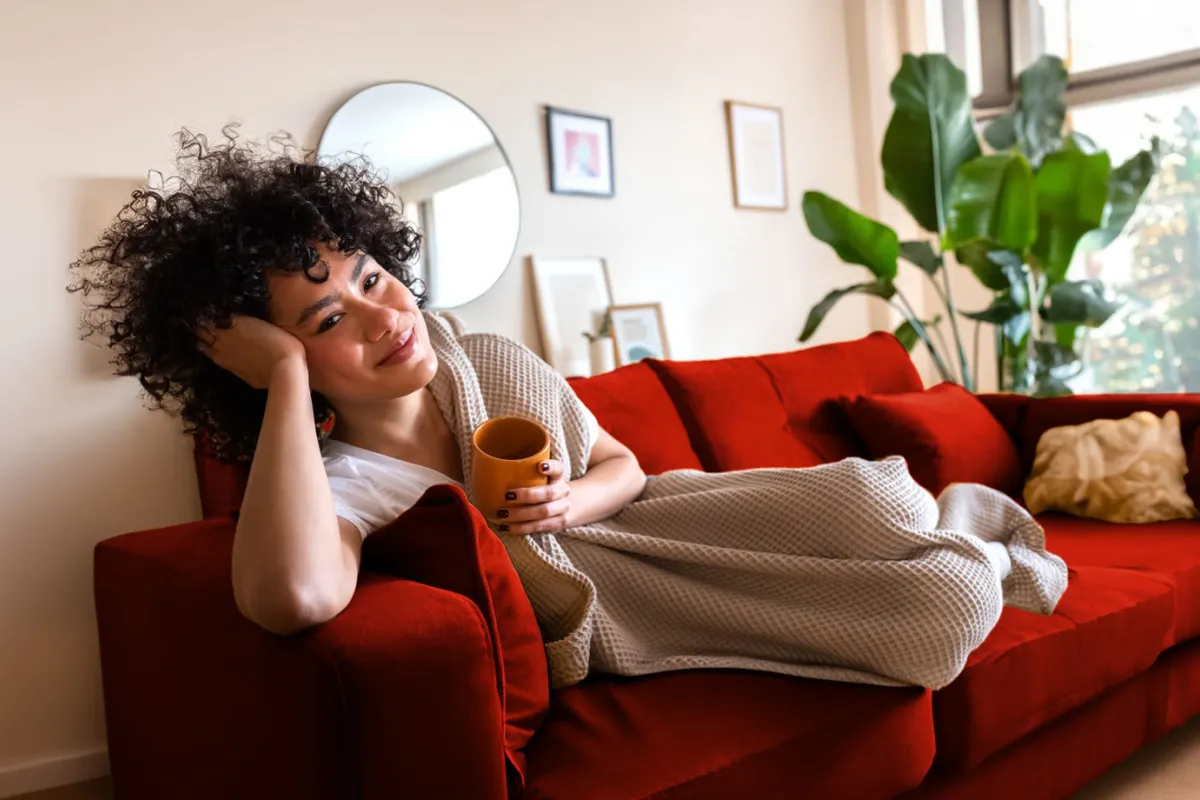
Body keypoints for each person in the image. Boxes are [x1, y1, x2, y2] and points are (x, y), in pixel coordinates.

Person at [70, 127, 1068, 692]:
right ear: (281, 358)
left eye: (375, 275)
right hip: (639, 598)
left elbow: (627, 466)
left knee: (880, 505)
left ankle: (957, 515)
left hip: (660, 516)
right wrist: (284, 379)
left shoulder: (490, 360)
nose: (385, 316)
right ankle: (976, 547)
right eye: (329, 317)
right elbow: (290, 595)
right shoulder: (352, 484)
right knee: (944, 609)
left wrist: (568, 502)